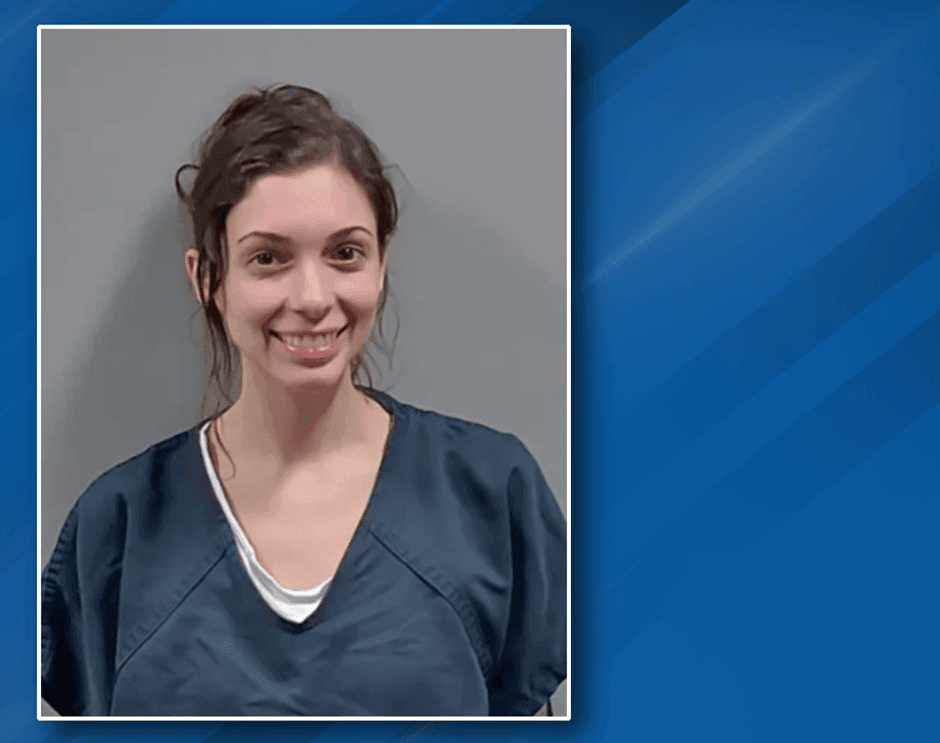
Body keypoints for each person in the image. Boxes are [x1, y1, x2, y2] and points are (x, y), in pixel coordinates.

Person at [41, 84, 566, 716]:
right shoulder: (116, 530)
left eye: (346, 253)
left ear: (381, 267)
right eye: (268, 258)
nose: (314, 298)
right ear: (207, 279)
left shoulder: (490, 494)